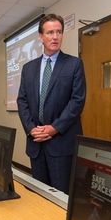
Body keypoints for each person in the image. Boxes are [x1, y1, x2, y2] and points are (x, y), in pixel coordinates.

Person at [17, 14, 86, 194]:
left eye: (59, 32)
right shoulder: (28, 68)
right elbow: (22, 100)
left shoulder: (74, 64)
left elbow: (77, 101)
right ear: (41, 36)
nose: (55, 37)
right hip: (36, 143)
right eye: (50, 32)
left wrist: (54, 128)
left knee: (61, 196)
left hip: (62, 144)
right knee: (38, 195)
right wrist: (31, 129)